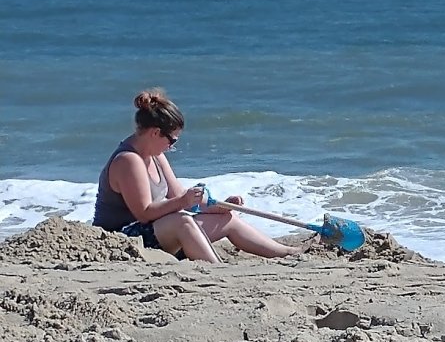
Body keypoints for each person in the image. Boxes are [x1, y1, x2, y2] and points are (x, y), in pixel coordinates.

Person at [93, 88, 308, 263]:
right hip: (123, 239)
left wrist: (216, 206)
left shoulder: (154, 155)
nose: (171, 147)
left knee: (227, 218)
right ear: (155, 132)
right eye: (172, 140)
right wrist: (183, 201)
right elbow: (145, 213)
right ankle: (217, 270)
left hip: (157, 231)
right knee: (182, 222)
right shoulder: (129, 160)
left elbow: (179, 198)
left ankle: (286, 253)